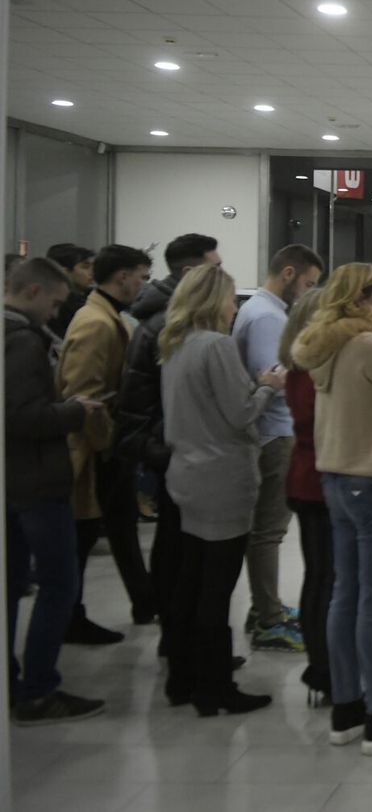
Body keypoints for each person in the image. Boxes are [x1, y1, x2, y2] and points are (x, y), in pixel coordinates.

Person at [292, 263, 372, 756]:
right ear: (361, 298)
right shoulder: (368, 345)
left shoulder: (324, 345)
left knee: (345, 595)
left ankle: (346, 705)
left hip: (337, 478)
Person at [159, 264, 286, 716]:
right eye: (232, 299)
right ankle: (215, 686)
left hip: (187, 472)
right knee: (216, 588)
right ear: (216, 301)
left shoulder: (175, 345)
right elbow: (239, 413)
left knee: (189, 581)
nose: (236, 308)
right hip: (221, 477)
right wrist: (269, 386)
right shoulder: (215, 346)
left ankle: (182, 676)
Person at [5, 258, 107, 725]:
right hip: (39, 481)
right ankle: (39, 689)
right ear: (31, 292)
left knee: (10, 586)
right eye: (54, 302)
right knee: (59, 585)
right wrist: (74, 411)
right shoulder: (23, 343)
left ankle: (12, 681)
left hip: (13, 481)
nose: (54, 312)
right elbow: (22, 416)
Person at [114, 233, 220, 657]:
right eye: (215, 268)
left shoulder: (166, 319)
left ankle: (181, 640)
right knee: (179, 552)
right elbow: (152, 401)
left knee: (179, 551)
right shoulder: (168, 325)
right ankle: (180, 642)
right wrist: (172, 452)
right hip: (172, 451)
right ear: (191, 273)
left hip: (172, 448)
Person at [57, 243, 154, 643]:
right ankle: (71, 616)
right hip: (96, 449)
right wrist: (109, 443)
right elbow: (83, 397)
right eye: (142, 277)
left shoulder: (105, 316)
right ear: (123, 277)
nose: (145, 285)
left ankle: (144, 600)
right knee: (82, 538)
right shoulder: (96, 323)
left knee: (118, 526)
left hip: (105, 446)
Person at [233, 244, 324, 653]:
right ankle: (267, 617)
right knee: (269, 532)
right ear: (288, 274)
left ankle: (265, 606)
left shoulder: (258, 310)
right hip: (275, 434)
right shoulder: (268, 317)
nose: (307, 294)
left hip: (273, 431)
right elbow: (273, 380)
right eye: (307, 284)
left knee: (267, 531)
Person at [279, 288, 335, 705]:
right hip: (320, 481)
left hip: (304, 478)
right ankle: (324, 668)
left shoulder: (299, 363)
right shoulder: (316, 368)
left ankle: (322, 666)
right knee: (326, 579)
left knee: (319, 577)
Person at [44, 243, 94, 339]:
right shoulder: (62, 306)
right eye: (85, 267)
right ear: (64, 271)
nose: (92, 273)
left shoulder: (92, 297)